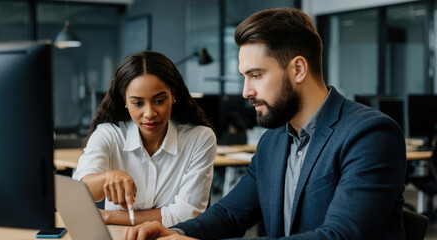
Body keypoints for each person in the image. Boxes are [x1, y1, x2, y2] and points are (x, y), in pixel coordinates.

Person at [123, 7, 406, 240]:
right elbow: (230, 214)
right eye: (244, 77)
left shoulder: (370, 134)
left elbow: (339, 236)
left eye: (255, 75)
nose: (246, 91)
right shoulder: (273, 141)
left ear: (298, 69)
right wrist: (177, 233)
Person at [72, 50, 216, 227]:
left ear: (173, 95)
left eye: (159, 100)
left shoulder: (199, 138)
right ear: (125, 100)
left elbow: (187, 214)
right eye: (138, 103)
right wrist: (106, 178)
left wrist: (108, 216)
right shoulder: (108, 135)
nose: (150, 113)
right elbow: (80, 194)